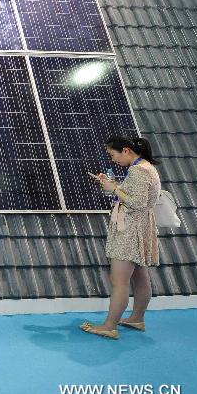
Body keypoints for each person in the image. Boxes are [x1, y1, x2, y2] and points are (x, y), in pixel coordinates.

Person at [82, 135, 161, 340]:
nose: (113, 160)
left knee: (119, 280)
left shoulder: (138, 171)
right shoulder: (146, 167)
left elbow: (137, 202)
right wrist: (113, 185)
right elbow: (136, 196)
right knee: (140, 276)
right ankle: (136, 318)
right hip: (140, 227)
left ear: (126, 150)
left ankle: (109, 326)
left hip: (130, 230)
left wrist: (114, 188)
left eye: (113, 155)